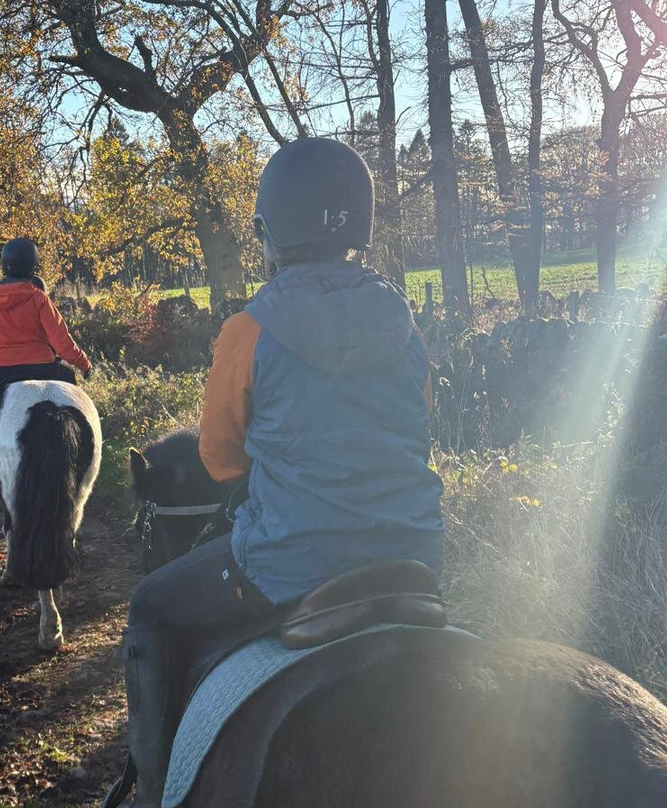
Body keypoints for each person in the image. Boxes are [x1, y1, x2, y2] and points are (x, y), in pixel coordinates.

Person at [103, 138, 445, 808]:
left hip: (291, 563)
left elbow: (219, 459)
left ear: (269, 233)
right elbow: (420, 425)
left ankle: (153, 791)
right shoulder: (404, 322)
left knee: (150, 606)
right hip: (415, 553)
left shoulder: (248, 329)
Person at [0, 237, 92, 485]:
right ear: (33, 267)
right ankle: (84, 448)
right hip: (43, 367)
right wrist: (84, 364)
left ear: (4, 265)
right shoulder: (38, 298)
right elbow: (62, 342)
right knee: (74, 401)